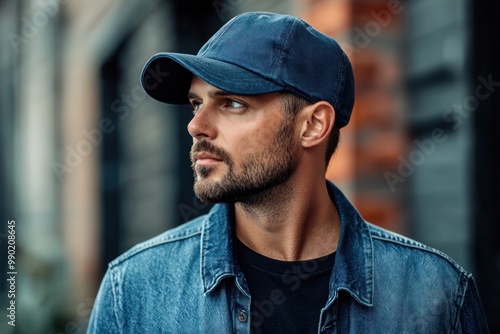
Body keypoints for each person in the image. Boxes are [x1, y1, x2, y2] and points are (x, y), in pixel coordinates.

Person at [88, 12, 489, 333]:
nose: (196, 126)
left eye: (231, 103)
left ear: (313, 126)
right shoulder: (136, 290)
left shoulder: (435, 293)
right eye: (197, 104)